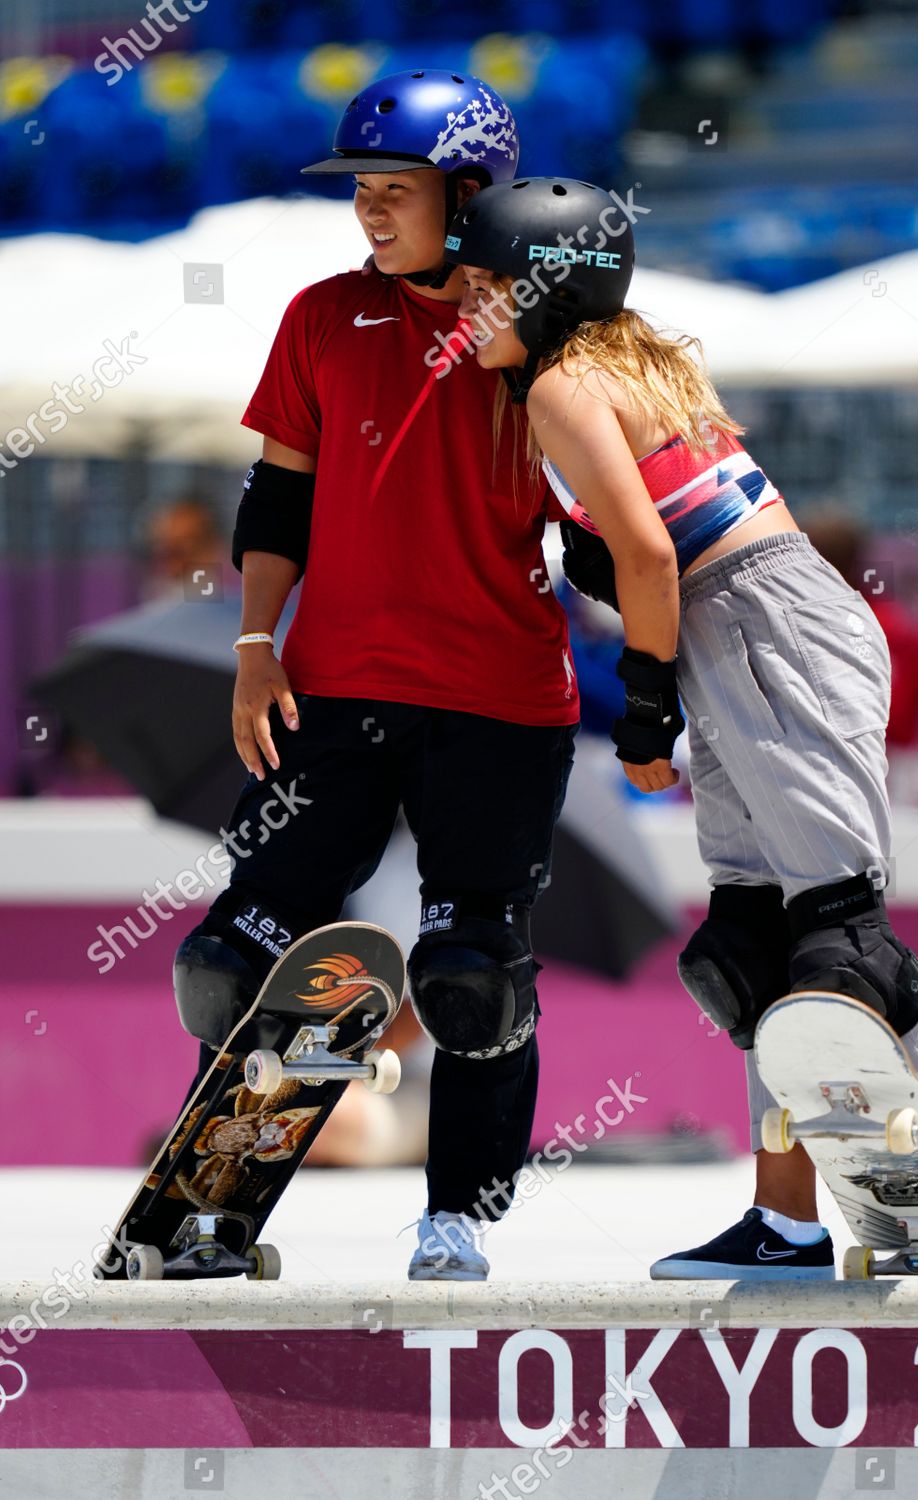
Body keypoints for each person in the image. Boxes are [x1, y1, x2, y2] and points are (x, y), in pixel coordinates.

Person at [448, 176, 918, 1280]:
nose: (464, 308)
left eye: (483, 286)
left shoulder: (561, 384)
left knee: (841, 933)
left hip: (761, 627)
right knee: (752, 949)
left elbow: (655, 559)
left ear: (546, 292)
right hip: (742, 633)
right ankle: (785, 1221)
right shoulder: (622, 360)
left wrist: (644, 713)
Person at [168, 73, 578, 1281]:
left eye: (391, 191)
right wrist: (252, 647)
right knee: (233, 961)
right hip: (330, 691)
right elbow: (278, 496)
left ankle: (459, 1216)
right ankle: (211, 1202)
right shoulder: (317, 318)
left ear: (467, 198)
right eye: (358, 190)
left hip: (497, 700)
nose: (367, 212)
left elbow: (605, 507)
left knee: (469, 977)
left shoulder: (537, 327)